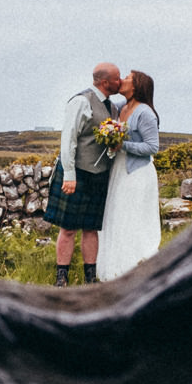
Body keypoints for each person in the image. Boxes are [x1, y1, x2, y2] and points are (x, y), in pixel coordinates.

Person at [43, 62, 123, 286]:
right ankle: (62, 277)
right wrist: (69, 174)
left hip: (99, 174)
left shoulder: (113, 108)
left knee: (91, 227)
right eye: (118, 78)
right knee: (68, 228)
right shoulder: (81, 101)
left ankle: (90, 278)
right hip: (76, 172)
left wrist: (113, 148)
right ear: (105, 82)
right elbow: (68, 138)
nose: (121, 81)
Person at [96, 70, 163, 280]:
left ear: (136, 86)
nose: (122, 80)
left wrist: (122, 145)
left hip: (137, 172)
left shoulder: (145, 113)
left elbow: (153, 147)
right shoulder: (120, 109)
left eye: (127, 78)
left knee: (133, 217)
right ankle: (115, 267)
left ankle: (136, 265)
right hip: (119, 170)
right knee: (117, 215)